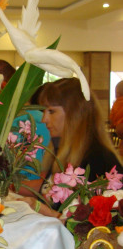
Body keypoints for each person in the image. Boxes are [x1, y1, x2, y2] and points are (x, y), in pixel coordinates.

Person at [20, 77, 123, 217]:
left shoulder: (97, 159)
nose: (44, 119)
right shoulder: (63, 151)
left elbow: (85, 225)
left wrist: (42, 209)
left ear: (74, 113)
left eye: (51, 111)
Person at [109, 80, 123, 156]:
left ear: (117, 93)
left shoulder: (116, 103)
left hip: (119, 128)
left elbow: (111, 117)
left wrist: (112, 125)